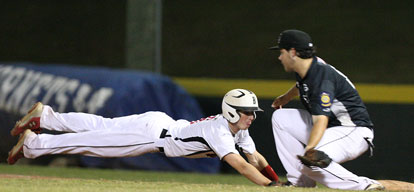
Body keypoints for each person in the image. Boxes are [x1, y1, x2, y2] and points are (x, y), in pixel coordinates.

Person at [7, 88, 280, 186]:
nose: (252, 117)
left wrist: (276, 181)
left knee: (100, 126)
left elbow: (255, 158)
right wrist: (270, 188)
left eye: (253, 112)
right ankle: (33, 143)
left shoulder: (238, 130)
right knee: (91, 142)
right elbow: (242, 166)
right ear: (231, 112)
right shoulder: (220, 130)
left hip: (158, 122)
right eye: (247, 112)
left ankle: (46, 117)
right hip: (152, 137)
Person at [268, 29, 385, 190]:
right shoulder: (308, 66)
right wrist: (286, 97)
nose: (280, 57)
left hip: (352, 131)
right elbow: (300, 85)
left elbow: (320, 120)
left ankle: (364, 185)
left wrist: (310, 148)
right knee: (281, 118)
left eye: (282, 52)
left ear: (293, 52)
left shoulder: (322, 77)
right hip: (332, 126)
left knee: (311, 161)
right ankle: (300, 183)